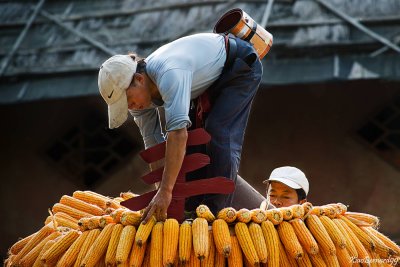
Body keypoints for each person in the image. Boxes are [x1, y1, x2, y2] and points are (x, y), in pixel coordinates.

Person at [98, 33, 263, 223]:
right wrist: (162, 192)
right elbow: (154, 145)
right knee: (194, 142)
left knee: (217, 131)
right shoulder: (140, 101)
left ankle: (215, 212)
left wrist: (166, 191)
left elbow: (177, 134)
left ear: (139, 79)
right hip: (209, 81)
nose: (130, 107)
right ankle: (191, 209)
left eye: (127, 100)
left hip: (239, 67)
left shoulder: (169, 73)